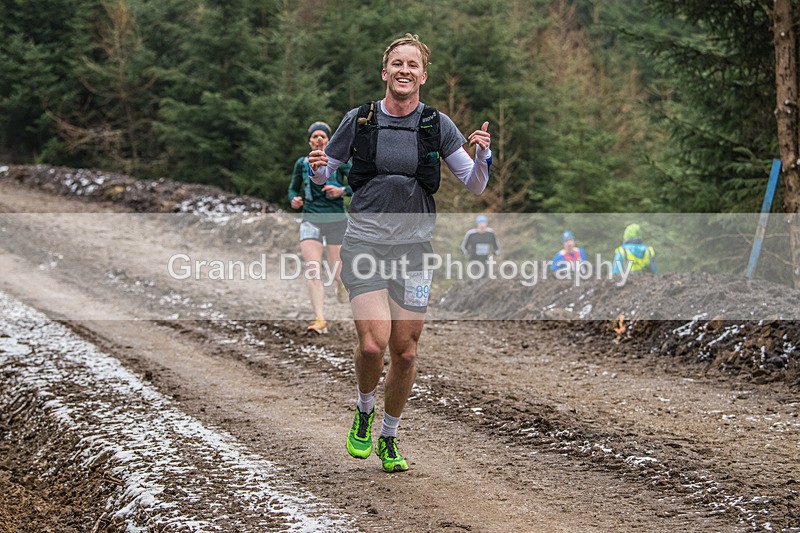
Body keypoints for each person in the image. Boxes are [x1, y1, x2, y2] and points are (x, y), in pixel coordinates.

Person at [308, 33, 491, 472]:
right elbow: (323, 176)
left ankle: (388, 435)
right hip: (365, 244)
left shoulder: (436, 124)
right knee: (373, 345)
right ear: (385, 71)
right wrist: (317, 171)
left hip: (414, 251)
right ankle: (364, 409)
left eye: (413, 65)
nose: (404, 71)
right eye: (397, 64)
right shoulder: (360, 120)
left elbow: (475, 184)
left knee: (405, 351)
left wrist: (483, 156)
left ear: (422, 76)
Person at [288, 121, 352, 334]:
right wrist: (294, 200)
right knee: (313, 269)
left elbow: (359, 183)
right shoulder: (302, 163)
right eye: (315, 136)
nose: (318, 139)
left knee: (338, 271)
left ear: (329, 140)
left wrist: (341, 190)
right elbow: (292, 189)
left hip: (336, 220)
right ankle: (320, 320)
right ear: (309, 140)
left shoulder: (339, 163)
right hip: (311, 219)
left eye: (322, 136)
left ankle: (341, 286)